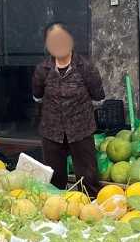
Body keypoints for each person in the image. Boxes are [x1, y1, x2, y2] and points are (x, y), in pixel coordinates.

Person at [32, 22, 104, 197]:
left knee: (88, 179)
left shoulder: (86, 67)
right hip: (51, 132)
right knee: (54, 181)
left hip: (81, 131)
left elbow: (98, 98)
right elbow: (37, 97)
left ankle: (90, 206)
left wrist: (78, 113)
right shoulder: (42, 70)